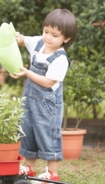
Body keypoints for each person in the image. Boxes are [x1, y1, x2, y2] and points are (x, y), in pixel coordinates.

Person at [10, 9, 77, 183]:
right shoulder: (39, 43)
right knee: (28, 131)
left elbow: (47, 82)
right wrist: (15, 36)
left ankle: (52, 173)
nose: (48, 37)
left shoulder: (60, 59)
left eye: (54, 35)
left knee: (48, 134)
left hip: (48, 105)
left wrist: (26, 73)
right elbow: (23, 40)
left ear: (66, 38)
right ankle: (30, 168)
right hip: (30, 101)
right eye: (46, 31)